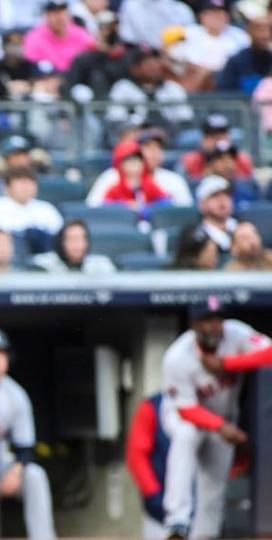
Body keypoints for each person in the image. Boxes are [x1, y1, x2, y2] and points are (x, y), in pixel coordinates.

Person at [159, 297, 270, 539]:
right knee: (186, 437)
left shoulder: (236, 332)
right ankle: (176, 522)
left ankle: (204, 536)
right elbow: (187, 409)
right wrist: (221, 427)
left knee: (214, 489)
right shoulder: (178, 355)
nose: (213, 325)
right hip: (183, 415)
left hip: (223, 417)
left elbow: (270, 353)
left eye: (217, 318)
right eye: (206, 320)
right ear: (193, 324)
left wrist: (228, 363)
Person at [0, 327, 56, 539]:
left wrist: (15, 473)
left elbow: (25, 447)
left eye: (1, 354)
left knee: (34, 476)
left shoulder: (15, 394)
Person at [0, 167, 63, 254]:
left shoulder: (46, 208)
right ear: (7, 187)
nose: (26, 187)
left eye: (31, 182)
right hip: (4, 261)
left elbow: (62, 241)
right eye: (22, 182)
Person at [85, 141, 182, 218]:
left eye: (137, 161)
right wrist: (126, 207)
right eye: (129, 161)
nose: (134, 166)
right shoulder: (113, 181)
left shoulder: (147, 183)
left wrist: (146, 209)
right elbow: (103, 207)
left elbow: (164, 201)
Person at [126, 392, 172, 540]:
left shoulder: (211, 405)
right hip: (161, 512)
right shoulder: (154, 405)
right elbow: (136, 455)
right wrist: (154, 495)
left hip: (202, 509)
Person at [21, 0, 94, 73]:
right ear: (46, 16)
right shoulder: (34, 37)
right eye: (55, 13)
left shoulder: (79, 33)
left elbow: (93, 51)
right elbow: (33, 64)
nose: (60, 18)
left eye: (63, 12)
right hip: (49, 77)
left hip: (77, 77)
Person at [178, 0, 249, 75]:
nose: (216, 16)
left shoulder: (240, 36)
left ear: (227, 16)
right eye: (211, 13)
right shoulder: (187, 33)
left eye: (220, 13)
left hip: (228, 78)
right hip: (193, 76)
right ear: (201, 16)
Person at [179, 114, 253, 181]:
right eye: (213, 136)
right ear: (203, 139)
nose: (218, 139)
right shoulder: (190, 161)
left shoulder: (242, 160)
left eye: (222, 135)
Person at [216, 10, 272, 94]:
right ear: (249, 31)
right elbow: (225, 94)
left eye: (268, 30)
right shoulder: (236, 61)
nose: (264, 35)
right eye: (259, 29)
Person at [31, 220, 117, 274]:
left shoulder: (101, 264)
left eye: (82, 239)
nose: (78, 244)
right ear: (61, 242)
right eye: (72, 239)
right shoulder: (43, 265)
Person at [117, 0, 194, 48]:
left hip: (177, 56)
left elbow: (191, 40)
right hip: (143, 57)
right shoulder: (130, 5)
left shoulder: (181, 9)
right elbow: (127, 38)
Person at [195, 175, 237, 253]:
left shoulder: (242, 227)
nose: (222, 200)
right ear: (201, 204)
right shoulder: (197, 237)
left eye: (226, 195)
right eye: (215, 196)